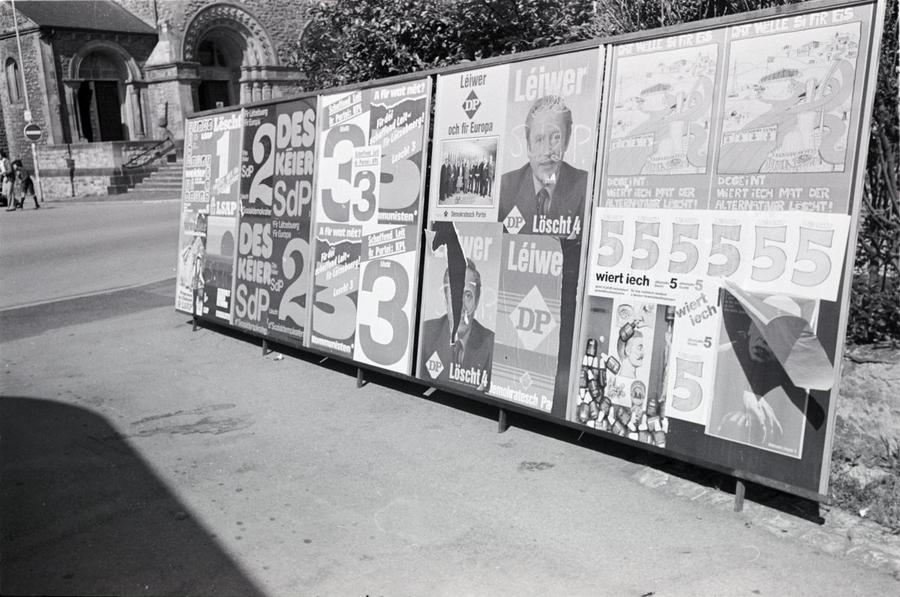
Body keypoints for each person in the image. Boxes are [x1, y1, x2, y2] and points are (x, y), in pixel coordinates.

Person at [498, 95, 589, 417]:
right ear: (526, 143)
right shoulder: (506, 186)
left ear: (566, 141)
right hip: (515, 307)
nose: (548, 149)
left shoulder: (584, 186)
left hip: (563, 308)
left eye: (555, 138)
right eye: (539, 138)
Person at [418, 258, 494, 392]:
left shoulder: (490, 346)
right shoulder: (426, 335)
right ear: (446, 300)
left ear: (477, 300)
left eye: (468, 295)